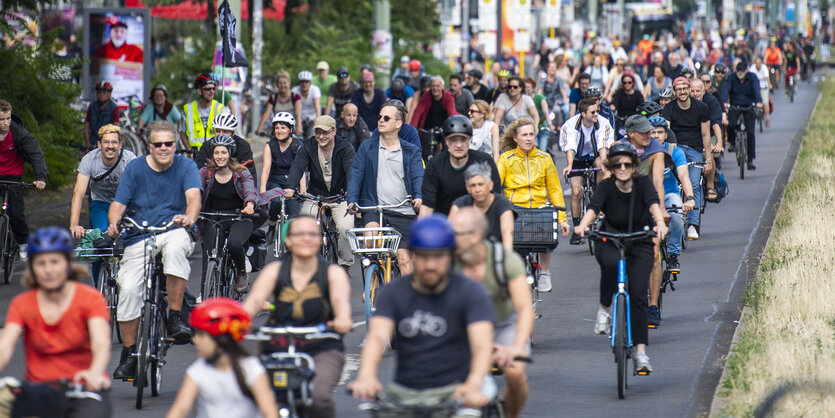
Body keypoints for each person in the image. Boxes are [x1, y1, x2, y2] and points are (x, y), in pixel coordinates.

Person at [348, 217, 495, 413]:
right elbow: (376, 337)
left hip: (458, 388)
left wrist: (474, 384)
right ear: (413, 255)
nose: (431, 265)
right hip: (407, 391)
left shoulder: (470, 292)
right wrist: (367, 375)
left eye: (438, 256)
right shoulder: (393, 292)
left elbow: (482, 344)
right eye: (425, 256)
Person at [107, 121, 201, 379]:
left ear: (175, 145)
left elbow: (193, 198)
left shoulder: (187, 166)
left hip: (174, 228)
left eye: (168, 144)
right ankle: (129, 354)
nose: (163, 148)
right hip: (140, 233)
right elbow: (118, 203)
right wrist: (114, 222)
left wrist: (189, 217)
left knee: (175, 251)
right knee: (127, 288)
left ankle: (173, 317)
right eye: (157, 144)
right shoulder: (136, 168)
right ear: (149, 146)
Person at [574, 142, 669, 374]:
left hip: (640, 239)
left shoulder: (643, 184)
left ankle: (641, 353)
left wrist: (659, 224)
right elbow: (593, 209)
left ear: (634, 166)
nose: (623, 168)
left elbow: (653, 204)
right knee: (610, 265)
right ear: (612, 167)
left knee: (638, 295)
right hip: (611, 237)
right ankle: (604, 309)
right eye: (617, 165)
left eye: (627, 164)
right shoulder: (606, 187)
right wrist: (583, 226)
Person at [243, 216, 352, 418]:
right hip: (276, 344)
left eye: (313, 234)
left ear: (320, 240)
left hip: (322, 345)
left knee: (318, 397)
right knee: (250, 394)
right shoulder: (275, 270)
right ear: (288, 241)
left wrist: (343, 319)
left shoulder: (333, 273)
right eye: (299, 234)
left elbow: (340, 301)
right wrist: (237, 321)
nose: (306, 239)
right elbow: (254, 301)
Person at [0, 227, 112, 417]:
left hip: (84, 390)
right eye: (41, 263)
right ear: (32, 268)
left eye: (55, 262)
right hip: (38, 392)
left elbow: (101, 343)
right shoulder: (23, 304)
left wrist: (95, 372)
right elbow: (4, 346)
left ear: (68, 264)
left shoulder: (90, 299)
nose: (48, 270)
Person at [449, 207, 530, 418]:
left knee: (515, 374)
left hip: (503, 324)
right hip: (465, 328)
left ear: (475, 236)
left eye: (457, 233)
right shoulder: (448, 262)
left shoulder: (504, 260)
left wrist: (516, 348)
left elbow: (524, 309)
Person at [167, 298, 278, 418]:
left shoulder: (251, 369)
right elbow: (180, 409)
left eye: (201, 335)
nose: (195, 340)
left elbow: (269, 412)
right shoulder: (198, 371)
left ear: (221, 339)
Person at [347, 101, 423, 275]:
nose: (381, 120)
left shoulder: (411, 151)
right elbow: (356, 174)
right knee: (370, 244)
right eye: (379, 117)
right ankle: (371, 281)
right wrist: (352, 200)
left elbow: (418, 175)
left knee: (404, 261)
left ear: (398, 124)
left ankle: (406, 300)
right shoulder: (367, 147)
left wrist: (418, 196)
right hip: (375, 208)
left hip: (403, 211)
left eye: (386, 118)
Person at [497, 118, 570, 292]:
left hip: (539, 208)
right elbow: (494, 186)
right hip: (515, 208)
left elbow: (554, 190)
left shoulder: (545, 158)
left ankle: (545, 272)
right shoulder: (505, 159)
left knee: (548, 233)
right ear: (515, 138)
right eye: (524, 135)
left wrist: (562, 219)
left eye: (531, 134)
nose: (529, 138)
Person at [283, 115, 356, 270]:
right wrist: (290, 187)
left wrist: (351, 192)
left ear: (334, 131)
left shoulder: (345, 147)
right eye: (318, 132)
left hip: (340, 197)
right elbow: (298, 166)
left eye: (325, 132)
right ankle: (306, 260)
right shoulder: (308, 146)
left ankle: (345, 266)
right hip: (315, 196)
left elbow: (351, 170)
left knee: (344, 230)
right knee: (305, 226)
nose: (321, 136)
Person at [647, 115, 696, 325]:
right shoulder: (643, 152)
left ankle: (674, 253)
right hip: (647, 199)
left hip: (669, 195)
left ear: (666, 134)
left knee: (676, 215)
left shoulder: (674, 152)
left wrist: (691, 198)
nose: (656, 136)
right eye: (653, 132)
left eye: (660, 132)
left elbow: (684, 176)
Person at [198, 135, 258, 293]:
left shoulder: (241, 173)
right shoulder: (206, 173)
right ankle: (207, 290)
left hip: (239, 217)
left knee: (234, 244)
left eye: (223, 152)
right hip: (213, 217)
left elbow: (250, 190)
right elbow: (195, 192)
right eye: (216, 153)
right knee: (209, 251)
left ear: (230, 154)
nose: (220, 156)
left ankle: (241, 272)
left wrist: (250, 204)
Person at [419, 115, 501, 217]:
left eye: (463, 139)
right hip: (444, 224)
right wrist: (422, 231)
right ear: (446, 141)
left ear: (469, 139)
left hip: (478, 222)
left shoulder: (485, 161)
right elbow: (427, 206)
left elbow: (496, 199)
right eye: (453, 139)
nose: (458, 145)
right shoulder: (435, 164)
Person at [661, 77, 712, 240]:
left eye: (685, 88)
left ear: (689, 89)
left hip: (694, 149)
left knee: (694, 184)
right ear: (674, 92)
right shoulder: (669, 108)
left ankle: (692, 224)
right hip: (675, 148)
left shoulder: (701, 107)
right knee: (670, 182)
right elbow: (666, 131)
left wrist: (708, 159)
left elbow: (705, 134)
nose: (682, 92)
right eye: (679, 89)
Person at [559, 97, 614, 245]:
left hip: (595, 155)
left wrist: (603, 163)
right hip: (577, 157)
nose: (596, 114)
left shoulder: (603, 123)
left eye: (597, 111)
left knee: (601, 166)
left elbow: (603, 145)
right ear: (583, 114)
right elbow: (570, 147)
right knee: (576, 192)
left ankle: (599, 193)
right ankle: (577, 228)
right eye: (592, 112)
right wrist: (570, 165)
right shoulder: (570, 125)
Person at [0, 100, 47, 261]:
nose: (6, 123)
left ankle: (23, 243)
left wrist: (40, 177)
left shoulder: (19, 133)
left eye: (8, 118)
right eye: (2, 119)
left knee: (16, 214)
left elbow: (35, 154)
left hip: (13, 177)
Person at [260, 112, 304, 242]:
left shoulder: (298, 145)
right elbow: (266, 168)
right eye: (277, 128)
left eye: (283, 127)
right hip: (275, 180)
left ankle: (290, 242)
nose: (279, 131)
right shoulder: (270, 146)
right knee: (275, 202)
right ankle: (272, 225)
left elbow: (300, 169)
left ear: (291, 129)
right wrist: (262, 189)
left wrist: (302, 188)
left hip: (293, 180)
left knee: (294, 215)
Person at [450, 163, 514, 248]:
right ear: (467, 188)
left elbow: (507, 234)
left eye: (481, 184)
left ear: (490, 185)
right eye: (473, 185)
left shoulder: (502, 204)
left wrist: (506, 258)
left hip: (496, 254)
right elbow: (450, 232)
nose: (477, 190)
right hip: (467, 252)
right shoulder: (460, 204)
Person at [722, 61, 763, 170]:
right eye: (738, 71)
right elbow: (726, 89)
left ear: (746, 70)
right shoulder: (731, 78)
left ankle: (750, 160)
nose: (740, 73)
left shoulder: (752, 77)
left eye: (742, 71)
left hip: (749, 106)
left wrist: (759, 101)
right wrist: (725, 101)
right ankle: (732, 143)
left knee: (750, 133)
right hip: (735, 106)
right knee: (731, 125)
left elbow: (756, 90)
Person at [195, 113, 256, 181]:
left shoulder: (243, 146)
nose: (221, 135)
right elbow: (198, 171)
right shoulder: (207, 146)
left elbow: (251, 175)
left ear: (233, 133)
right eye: (218, 131)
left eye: (225, 131)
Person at [411, 76, 459, 159]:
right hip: (428, 129)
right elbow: (417, 113)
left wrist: (453, 128)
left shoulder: (448, 96)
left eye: (438, 86)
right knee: (425, 149)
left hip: (443, 128)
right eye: (433, 86)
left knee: (446, 147)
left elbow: (452, 113)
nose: (435, 88)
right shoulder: (426, 96)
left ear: (443, 87)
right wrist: (411, 129)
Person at [182, 73, 227, 153]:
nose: (212, 91)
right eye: (208, 89)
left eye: (213, 88)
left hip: (215, 156)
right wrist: (189, 150)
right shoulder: (187, 110)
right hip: (195, 156)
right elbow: (182, 132)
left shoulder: (220, 109)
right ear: (199, 91)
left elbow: (226, 134)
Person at [257, 71, 302, 136]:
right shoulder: (273, 98)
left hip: (291, 129)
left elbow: (298, 114)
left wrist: (299, 127)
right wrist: (260, 128)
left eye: (284, 83)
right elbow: (267, 113)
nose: (282, 85)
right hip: (278, 130)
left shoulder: (295, 97)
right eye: (280, 83)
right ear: (277, 85)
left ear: (289, 83)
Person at [83, 81, 120, 150]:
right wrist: (87, 143)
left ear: (109, 94)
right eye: (99, 92)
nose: (101, 95)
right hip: (93, 142)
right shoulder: (92, 106)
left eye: (104, 92)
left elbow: (116, 128)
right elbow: (86, 126)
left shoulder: (114, 108)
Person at [524, 77, 553, 152]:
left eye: (528, 87)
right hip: (530, 131)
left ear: (533, 88)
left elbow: (546, 113)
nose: (526, 89)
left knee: (542, 151)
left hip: (542, 129)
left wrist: (550, 124)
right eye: (524, 87)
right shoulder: (522, 100)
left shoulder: (540, 98)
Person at [294, 70, 323, 138]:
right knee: (298, 139)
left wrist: (318, 118)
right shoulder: (295, 91)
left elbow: (317, 105)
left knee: (311, 139)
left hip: (312, 120)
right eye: (302, 82)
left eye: (306, 82)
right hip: (299, 119)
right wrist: (298, 125)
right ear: (299, 82)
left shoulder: (315, 90)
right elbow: (297, 110)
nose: (304, 84)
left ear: (310, 83)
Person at [749, 56, 772, 127]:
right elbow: (749, 78)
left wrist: (769, 84)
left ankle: (767, 119)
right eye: (757, 63)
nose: (758, 65)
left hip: (763, 86)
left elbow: (767, 77)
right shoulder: (752, 68)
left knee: (765, 102)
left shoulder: (764, 68)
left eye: (759, 63)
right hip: (755, 86)